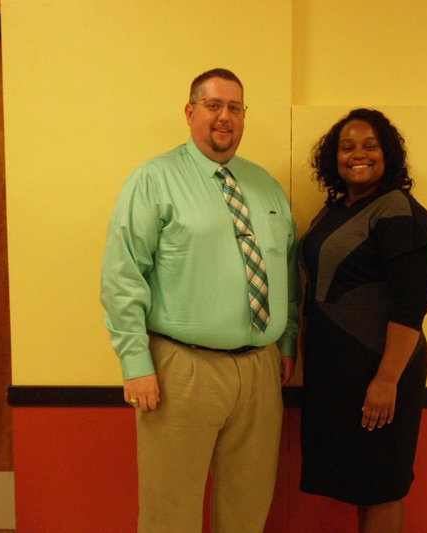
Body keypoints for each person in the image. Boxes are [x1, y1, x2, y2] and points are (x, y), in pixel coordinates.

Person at [100, 68, 299, 533]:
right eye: (213, 106)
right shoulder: (154, 179)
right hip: (181, 372)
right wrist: (135, 361)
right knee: (171, 511)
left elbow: (287, 271)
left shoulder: (266, 185)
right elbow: (123, 273)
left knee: (248, 508)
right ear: (191, 113)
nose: (224, 117)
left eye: (234, 107)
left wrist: (286, 343)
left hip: (260, 371)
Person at [299, 108, 427, 533]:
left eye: (370, 145)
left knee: (381, 485)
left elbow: (411, 304)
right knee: (362, 482)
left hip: (380, 371)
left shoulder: (396, 210)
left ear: (387, 154)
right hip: (338, 376)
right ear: (333, 158)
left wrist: (386, 380)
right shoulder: (335, 209)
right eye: (347, 147)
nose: (358, 154)